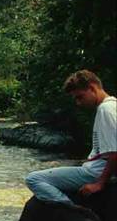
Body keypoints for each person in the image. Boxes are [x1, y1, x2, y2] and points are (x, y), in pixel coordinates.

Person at [25, 70, 117, 205]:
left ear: (92, 88)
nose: (78, 103)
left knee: (34, 179)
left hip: (94, 173)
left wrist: (100, 183)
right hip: (98, 168)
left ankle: (72, 212)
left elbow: (114, 152)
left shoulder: (105, 110)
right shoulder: (114, 105)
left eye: (80, 97)